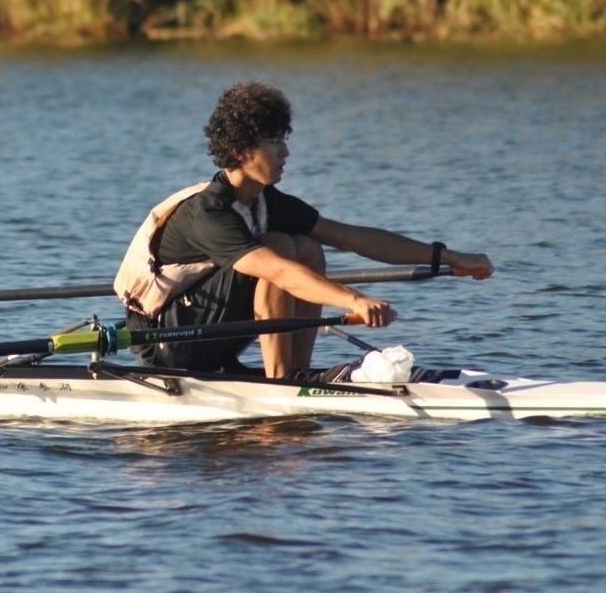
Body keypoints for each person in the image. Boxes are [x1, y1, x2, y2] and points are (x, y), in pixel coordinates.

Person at [114, 79, 494, 379]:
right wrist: (353, 300)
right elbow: (277, 271)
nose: (286, 153)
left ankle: (293, 370)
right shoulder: (207, 213)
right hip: (168, 343)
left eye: (285, 140)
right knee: (281, 249)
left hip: (210, 330)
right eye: (273, 142)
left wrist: (449, 257)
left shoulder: (268, 202)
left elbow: (354, 237)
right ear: (238, 152)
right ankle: (283, 383)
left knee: (308, 247)